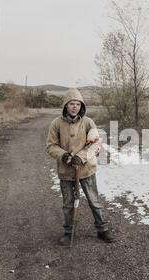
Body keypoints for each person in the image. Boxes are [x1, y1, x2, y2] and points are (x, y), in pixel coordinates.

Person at [46, 88, 115, 246]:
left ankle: (102, 229)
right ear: (66, 105)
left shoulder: (88, 122)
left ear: (81, 106)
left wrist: (80, 157)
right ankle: (68, 232)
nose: (74, 106)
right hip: (66, 171)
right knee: (68, 203)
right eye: (71, 104)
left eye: (77, 104)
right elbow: (51, 146)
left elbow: (96, 144)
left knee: (94, 200)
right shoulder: (56, 123)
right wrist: (64, 155)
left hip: (86, 169)